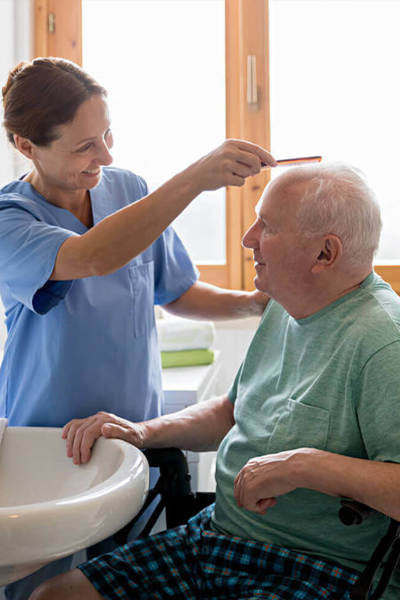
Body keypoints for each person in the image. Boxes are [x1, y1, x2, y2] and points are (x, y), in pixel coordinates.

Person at [29, 162, 400, 600]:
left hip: (318, 568)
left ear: (325, 254)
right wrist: (143, 432)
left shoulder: (382, 344)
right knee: (54, 595)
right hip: (217, 538)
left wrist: (306, 466)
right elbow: (230, 412)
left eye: (269, 227)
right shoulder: (287, 304)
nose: (248, 238)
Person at [0, 57, 276, 600]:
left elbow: (174, 291)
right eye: (84, 146)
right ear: (25, 145)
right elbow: (91, 257)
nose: (105, 155)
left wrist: (254, 304)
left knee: (122, 578)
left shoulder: (127, 191)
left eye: (106, 134)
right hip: (46, 446)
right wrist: (196, 179)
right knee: (39, 586)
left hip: (132, 436)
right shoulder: (9, 221)